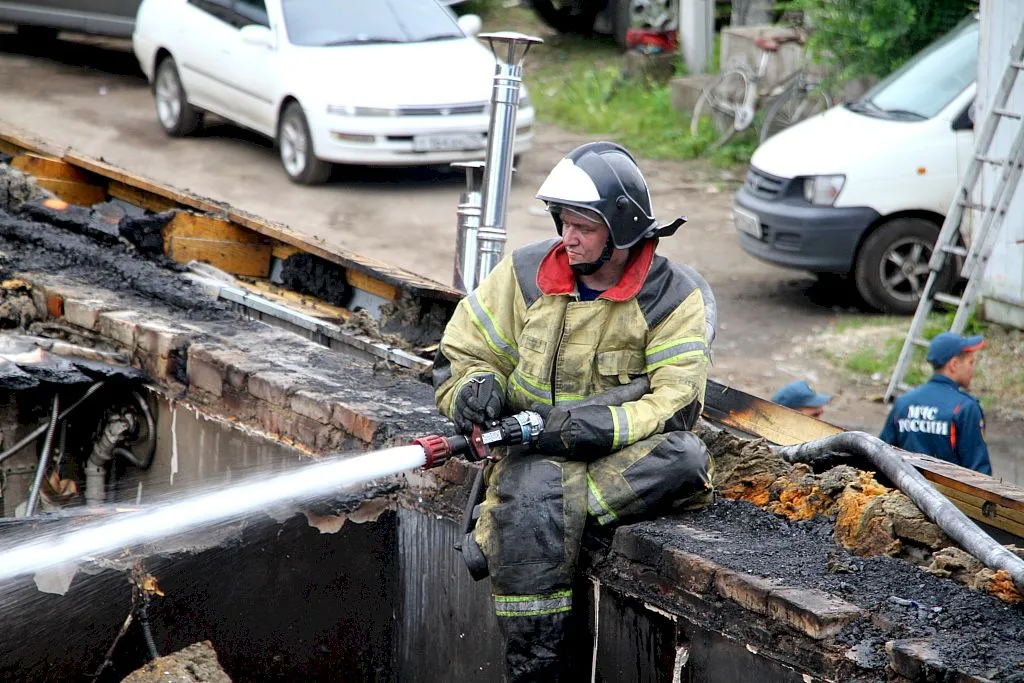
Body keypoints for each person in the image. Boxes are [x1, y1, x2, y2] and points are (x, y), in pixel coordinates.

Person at [432, 141, 716, 681]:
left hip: (615, 453)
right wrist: (475, 388)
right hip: (526, 453)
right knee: (538, 485)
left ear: (623, 227)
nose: (569, 236)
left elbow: (677, 401)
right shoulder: (525, 274)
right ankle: (536, 670)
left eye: (584, 225)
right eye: (563, 221)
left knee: (685, 459)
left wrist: (600, 427)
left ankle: (511, 526)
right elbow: (462, 356)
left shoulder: (672, 297)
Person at [879, 332, 991, 475]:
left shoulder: (903, 403)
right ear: (954, 365)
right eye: (970, 362)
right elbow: (980, 474)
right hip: (947, 497)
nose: (972, 369)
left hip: (902, 493)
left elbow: (880, 455)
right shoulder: (965, 408)